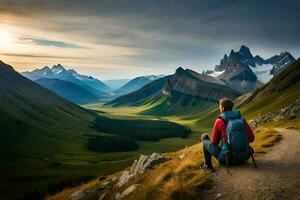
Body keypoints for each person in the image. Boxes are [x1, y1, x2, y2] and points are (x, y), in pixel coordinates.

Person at [200, 98, 255, 171]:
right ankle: (239, 156)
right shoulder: (241, 120)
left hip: (227, 159)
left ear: (222, 108)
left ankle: (207, 165)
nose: (219, 108)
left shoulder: (219, 121)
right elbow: (251, 138)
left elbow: (214, 142)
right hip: (245, 156)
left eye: (219, 107)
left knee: (205, 140)